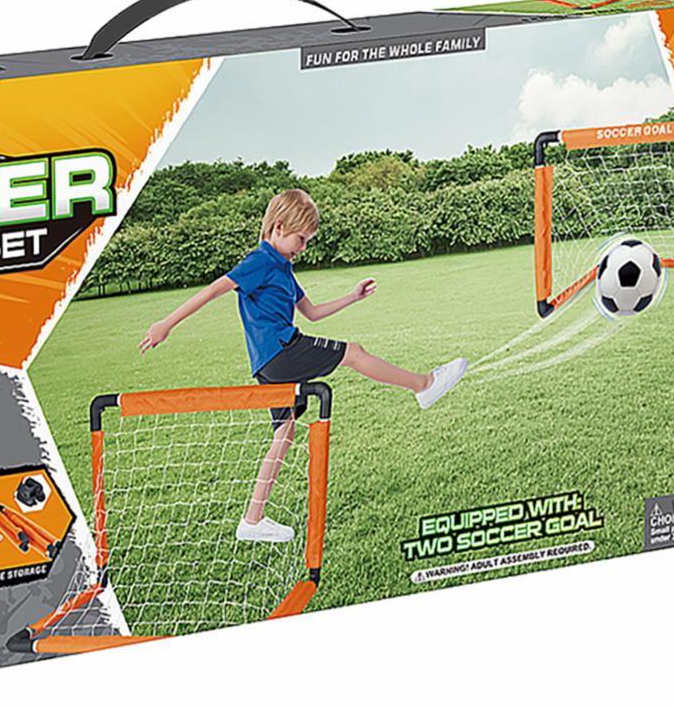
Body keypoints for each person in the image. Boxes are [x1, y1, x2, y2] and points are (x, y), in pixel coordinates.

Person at [139, 187, 467, 542]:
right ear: (278, 227)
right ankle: (423, 385)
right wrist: (165, 324)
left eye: (308, 240)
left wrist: (352, 297)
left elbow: (311, 312)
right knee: (353, 352)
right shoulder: (260, 261)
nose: (304, 247)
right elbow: (212, 290)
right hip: (281, 352)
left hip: (268, 364)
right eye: (301, 239)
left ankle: (252, 520)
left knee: (285, 431)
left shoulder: (283, 269)